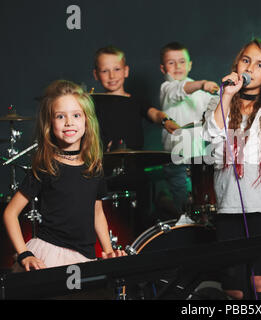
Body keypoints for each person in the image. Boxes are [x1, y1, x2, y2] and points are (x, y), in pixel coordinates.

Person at [203, 38, 261, 300]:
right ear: (237, 64)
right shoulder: (219, 101)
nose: (250, 68)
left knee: (260, 282)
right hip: (229, 206)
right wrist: (227, 94)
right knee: (233, 286)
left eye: (259, 64)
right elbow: (212, 134)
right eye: (246, 60)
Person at [2, 80, 125, 271]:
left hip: (85, 256)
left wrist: (108, 250)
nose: (69, 122)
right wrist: (24, 255)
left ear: (87, 120)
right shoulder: (47, 166)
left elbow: (97, 212)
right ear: (50, 124)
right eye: (60, 116)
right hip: (50, 253)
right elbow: (10, 213)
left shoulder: (94, 166)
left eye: (76, 115)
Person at [92, 45, 180, 231]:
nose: (112, 75)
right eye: (105, 71)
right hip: (105, 172)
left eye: (116, 69)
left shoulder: (135, 100)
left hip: (134, 170)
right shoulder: (93, 102)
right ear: (96, 75)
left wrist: (165, 120)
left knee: (141, 212)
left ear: (126, 71)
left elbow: (154, 113)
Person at [159, 41, 219, 215]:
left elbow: (214, 110)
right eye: (171, 63)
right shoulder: (166, 88)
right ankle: (170, 208)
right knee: (183, 206)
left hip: (198, 158)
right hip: (176, 158)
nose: (177, 66)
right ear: (163, 69)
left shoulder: (201, 91)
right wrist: (202, 84)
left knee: (202, 203)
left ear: (190, 65)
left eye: (182, 61)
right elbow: (180, 90)